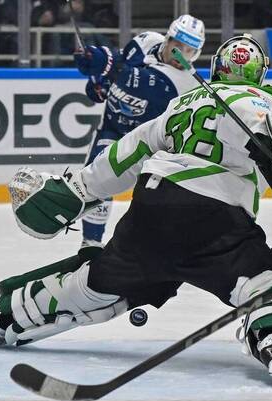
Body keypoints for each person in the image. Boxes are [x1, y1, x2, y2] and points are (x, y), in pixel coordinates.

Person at [0, 34, 272, 383]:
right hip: (212, 222)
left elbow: (128, 151)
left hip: (152, 208)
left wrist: (78, 189)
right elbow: (261, 126)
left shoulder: (182, 103)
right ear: (261, 75)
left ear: (217, 68)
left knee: (97, 285)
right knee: (270, 277)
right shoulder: (260, 100)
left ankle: (6, 321)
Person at [73, 15, 206, 248]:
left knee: (153, 201)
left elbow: (141, 83)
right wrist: (101, 82)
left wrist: (106, 63)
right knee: (96, 174)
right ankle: (90, 243)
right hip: (113, 128)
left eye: (189, 51)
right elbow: (122, 64)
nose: (181, 55)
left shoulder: (187, 84)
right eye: (178, 46)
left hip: (147, 147)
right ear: (167, 39)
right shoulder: (145, 41)